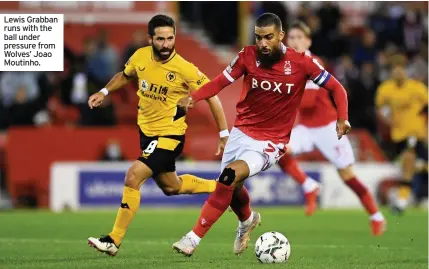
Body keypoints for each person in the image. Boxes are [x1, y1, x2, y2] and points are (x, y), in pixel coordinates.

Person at [172, 13, 350, 257]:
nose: (263, 43)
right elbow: (219, 82)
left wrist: (342, 118)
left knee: (228, 176)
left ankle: (192, 239)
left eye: (268, 37)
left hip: (271, 141)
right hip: (241, 132)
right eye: (259, 37)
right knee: (231, 188)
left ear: (281, 36)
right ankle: (247, 220)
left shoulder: (301, 63)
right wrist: (193, 97)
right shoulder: (247, 56)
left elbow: (336, 87)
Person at [86, 15, 229, 256]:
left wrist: (223, 133)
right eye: (160, 39)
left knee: (133, 176)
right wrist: (104, 91)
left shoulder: (184, 68)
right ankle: (223, 189)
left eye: (170, 38)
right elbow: (126, 74)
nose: (165, 44)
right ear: (150, 38)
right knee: (172, 187)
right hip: (147, 134)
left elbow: (212, 95)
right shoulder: (140, 56)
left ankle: (113, 239)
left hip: (170, 136)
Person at [277, 21, 385, 236]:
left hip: (327, 128)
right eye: (292, 37)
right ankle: (309, 186)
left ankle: (376, 215)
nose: (295, 41)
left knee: (347, 176)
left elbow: (305, 102)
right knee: (278, 149)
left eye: (300, 37)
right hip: (306, 128)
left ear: (308, 41)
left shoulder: (314, 63)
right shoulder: (286, 64)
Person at [376, 55, 428, 214]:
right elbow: (380, 109)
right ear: (391, 72)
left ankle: (401, 201)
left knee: (408, 161)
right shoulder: (385, 89)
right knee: (412, 167)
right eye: (395, 69)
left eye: (401, 69)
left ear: (406, 70)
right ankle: (404, 199)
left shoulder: (417, 88)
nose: (398, 72)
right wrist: (388, 119)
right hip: (397, 136)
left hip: (415, 133)